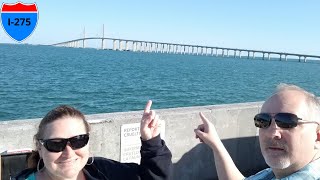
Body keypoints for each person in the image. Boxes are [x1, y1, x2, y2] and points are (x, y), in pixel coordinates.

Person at [15, 100, 172, 180]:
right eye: (56, 144)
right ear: (40, 148)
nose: (69, 152)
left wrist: (152, 142)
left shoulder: (103, 171)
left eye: (78, 140)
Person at [194, 83, 320, 179]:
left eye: (287, 122)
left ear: (317, 136)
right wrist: (216, 144)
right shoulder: (279, 172)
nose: (272, 133)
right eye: (263, 121)